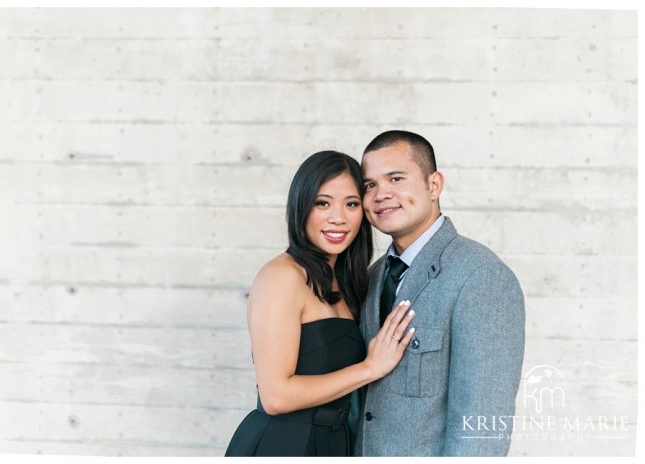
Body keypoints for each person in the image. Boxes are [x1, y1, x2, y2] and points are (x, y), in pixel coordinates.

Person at [225, 150, 416, 457]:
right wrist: (370, 368)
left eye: (351, 204)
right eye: (322, 203)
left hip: (334, 443)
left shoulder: (347, 281)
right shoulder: (282, 276)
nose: (338, 217)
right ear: (302, 206)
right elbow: (276, 397)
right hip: (285, 444)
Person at [353, 130, 525, 456]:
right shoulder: (373, 277)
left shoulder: (481, 277)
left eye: (396, 179)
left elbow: (483, 428)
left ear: (434, 185)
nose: (380, 194)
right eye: (369, 185)